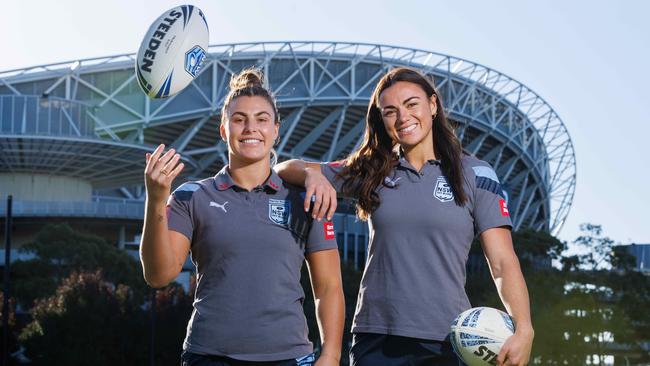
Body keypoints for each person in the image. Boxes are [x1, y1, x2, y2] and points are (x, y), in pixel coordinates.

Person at [275, 67, 534, 366]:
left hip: (445, 341)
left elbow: (502, 261)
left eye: (412, 104)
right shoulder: (372, 170)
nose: (403, 117)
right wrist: (311, 174)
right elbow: (283, 169)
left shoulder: (475, 173)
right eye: (390, 111)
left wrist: (524, 327)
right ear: (381, 120)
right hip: (377, 337)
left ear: (433, 105)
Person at [139, 68, 345, 366]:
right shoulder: (192, 196)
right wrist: (156, 199)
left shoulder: (305, 198)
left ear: (276, 129)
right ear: (224, 130)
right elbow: (159, 275)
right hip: (209, 356)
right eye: (239, 120)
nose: (251, 128)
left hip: (289, 357)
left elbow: (328, 288)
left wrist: (331, 356)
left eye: (262, 119)